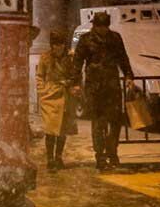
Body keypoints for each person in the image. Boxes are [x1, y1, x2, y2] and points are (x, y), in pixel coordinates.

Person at [72, 12, 134, 170]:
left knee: (115, 121)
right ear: (95, 26)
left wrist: (128, 76)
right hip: (95, 87)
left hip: (112, 85)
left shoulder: (115, 38)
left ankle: (112, 153)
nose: (103, 30)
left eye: (105, 26)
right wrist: (75, 83)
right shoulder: (86, 40)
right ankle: (100, 156)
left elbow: (123, 58)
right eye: (100, 27)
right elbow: (77, 62)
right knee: (99, 123)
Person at [35, 28, 78, 170]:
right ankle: (50, 159)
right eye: (55, 44)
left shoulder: (70, 57)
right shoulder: (45, 57)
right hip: (50, 97)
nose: (58, 47)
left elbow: (76, 75)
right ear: (51, 45)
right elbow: (40, 76)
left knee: (62, 130)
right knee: (51, 130)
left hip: (66, 96)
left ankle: (58, 157)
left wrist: (73, 85)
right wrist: (42, 91)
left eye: (61, 44)